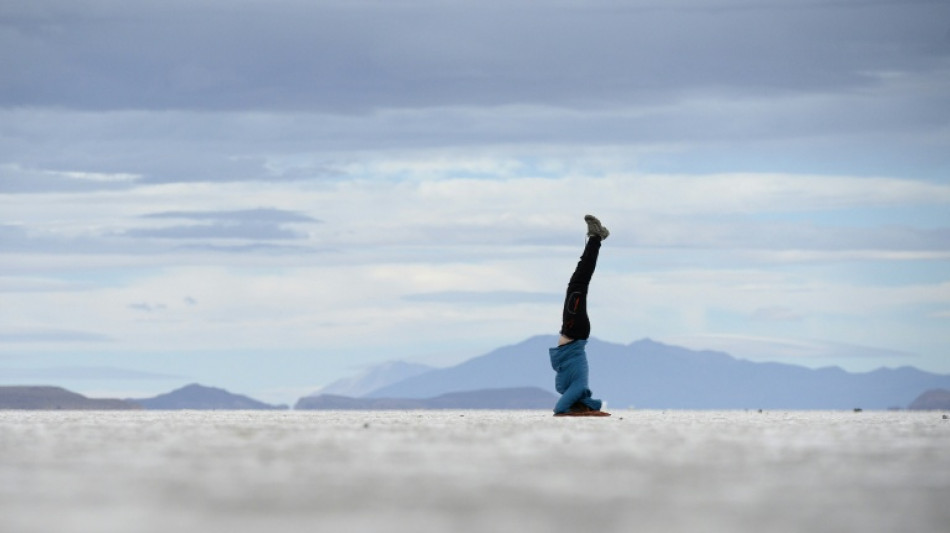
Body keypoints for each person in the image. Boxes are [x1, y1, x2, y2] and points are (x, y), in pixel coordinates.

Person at [550, 215, 611, 417]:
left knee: (577, 284)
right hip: (574, 332)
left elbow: (562, 408)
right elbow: (559, 410)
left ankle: (596, 238)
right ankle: (595, 238)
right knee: (578, 284)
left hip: (572, 332)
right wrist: (578, 411)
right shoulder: (578, 387)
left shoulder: (575, 390)